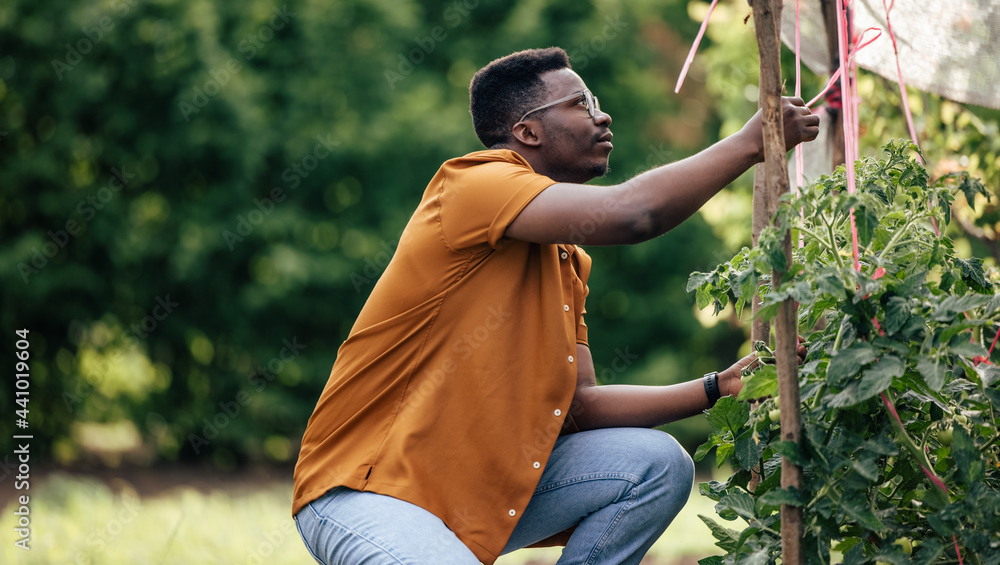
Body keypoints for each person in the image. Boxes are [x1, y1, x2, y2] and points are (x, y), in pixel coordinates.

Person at [292, 47, 819, 565]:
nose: (602, 114)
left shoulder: (564, 258)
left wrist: (717, 387)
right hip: (367, 490)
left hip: (465, 493)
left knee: (657, 464)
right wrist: (751, 143)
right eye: (581, 104)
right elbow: (635, 214)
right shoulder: (473, 184)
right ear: (527, 131)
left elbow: (579, 405)